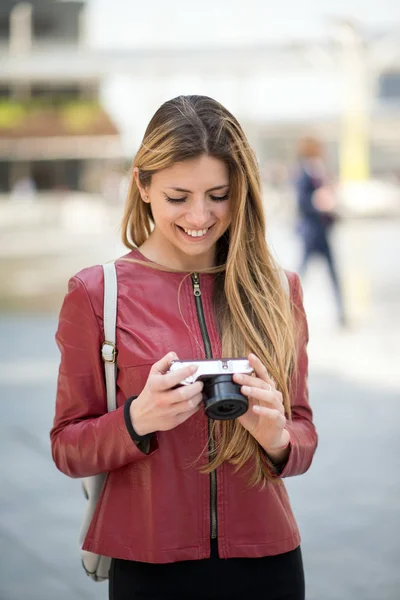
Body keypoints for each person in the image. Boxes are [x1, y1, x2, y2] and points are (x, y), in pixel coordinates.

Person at [50, 95, 318, 600]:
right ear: (143, 185)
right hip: (149, 566)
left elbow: (303, 433)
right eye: (178, 196)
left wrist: (277, 437)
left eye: (218, 194)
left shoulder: (279, 289)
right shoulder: (96, 293)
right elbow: (67, 447)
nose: (200, 216)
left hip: (269, 562)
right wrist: (136, 420)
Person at [294, 136, 346, 325]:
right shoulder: (304, 173)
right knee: (301, 274)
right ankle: (288, 308)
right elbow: (302, 203)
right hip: (311, 232)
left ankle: (341, 311)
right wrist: (319, 203)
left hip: (323, 231)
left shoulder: (320, 170)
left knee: (331, 273)